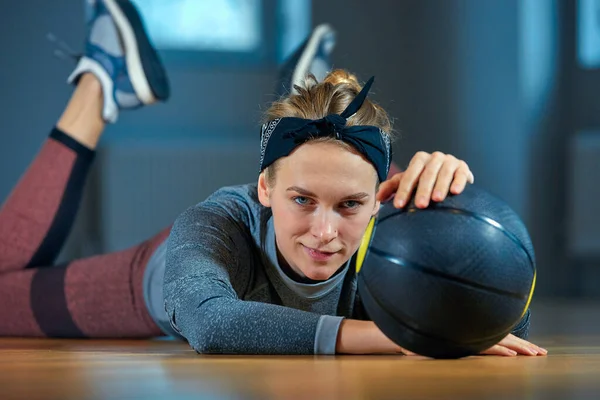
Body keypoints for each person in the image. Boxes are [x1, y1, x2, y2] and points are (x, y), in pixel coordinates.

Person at [0, 0, 545, 357]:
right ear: (264, 188)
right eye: (301, 199)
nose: (324, 232)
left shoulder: (387, 223)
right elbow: (213, 326)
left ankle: (305, 95)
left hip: (364, 189)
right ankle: (102, 80)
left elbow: (504, 321)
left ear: (378, 201)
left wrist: (463, 213)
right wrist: (398, 336)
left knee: (365, 183)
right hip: (158, 277)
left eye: (351, 205)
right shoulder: (217, 222)